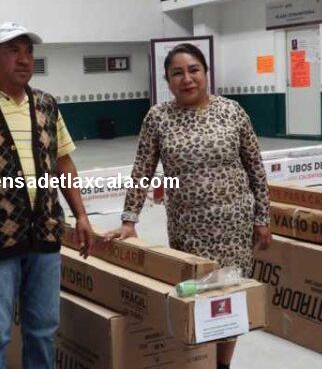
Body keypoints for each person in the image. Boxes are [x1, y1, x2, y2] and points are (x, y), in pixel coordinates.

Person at [104, 43, 272, 369]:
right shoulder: (158, 117)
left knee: (229, 298)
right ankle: (200, 361)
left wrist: (262, 218)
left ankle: (222, 365)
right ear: (168, 81)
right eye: (177, 73)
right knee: (196, 302)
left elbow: (256, 168)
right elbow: (142, 170)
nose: (187, 79)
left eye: (194, 70)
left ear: (206, 73)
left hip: (234, 229)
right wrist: (129, 220)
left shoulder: (232, 111)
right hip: (188, 232)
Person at [0, 22, 93, 369]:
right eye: (13, 51)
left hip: (45, 235)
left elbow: (63, 161)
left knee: (43, 330)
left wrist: (81, 215)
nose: (24, 60)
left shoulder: (45, 104)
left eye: (29, 52)